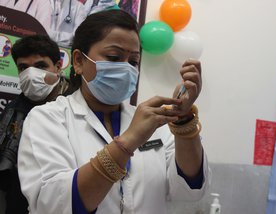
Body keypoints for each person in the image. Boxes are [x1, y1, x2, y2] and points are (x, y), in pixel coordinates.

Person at [18, 10, 210, 214]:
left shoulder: (154, 123)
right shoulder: (47, 119)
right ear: (79, 61)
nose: (126, 68)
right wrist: (129, 141)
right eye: (113, 57)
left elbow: (190, 189)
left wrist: (183, 121)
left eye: (133, 61)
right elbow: (54, 205)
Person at [0, 35, 73, 213]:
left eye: (40, 66)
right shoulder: (12, 111)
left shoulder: (75, 107)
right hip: (18, 202)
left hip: (66, 202)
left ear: (57, 67)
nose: (31, 74)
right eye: (24, 67)